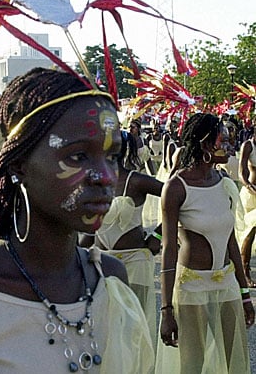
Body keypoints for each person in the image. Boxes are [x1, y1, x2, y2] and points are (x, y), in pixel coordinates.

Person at [0, 67, 153, 373]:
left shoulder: (111, 279)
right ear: (20, 164)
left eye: (112, 156)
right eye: (77, 156)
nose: (105, 177)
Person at [158, 113, 253, 373]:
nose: (229, 146)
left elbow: (231, 239)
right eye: (223, 140)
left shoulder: (224, 184)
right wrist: (166, 310)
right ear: (205, 144)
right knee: (193, 364)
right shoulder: (176, 188)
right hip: (191, 286)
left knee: (235, 359)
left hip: (227, 284)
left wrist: (245, 295)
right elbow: (168, 249)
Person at [92, 130, 163, 344]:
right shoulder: (92, 180)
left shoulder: (136, 181)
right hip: (101, 261)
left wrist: (158, 234)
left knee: (135, 327)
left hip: (135, 261)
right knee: (105, 327)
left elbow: (180, 199)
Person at [238, 133, 256, 287]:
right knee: (249, 233)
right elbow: (242, 172)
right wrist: (250, 187)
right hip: (251, 195)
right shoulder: (248, 146)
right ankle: (245, 272)